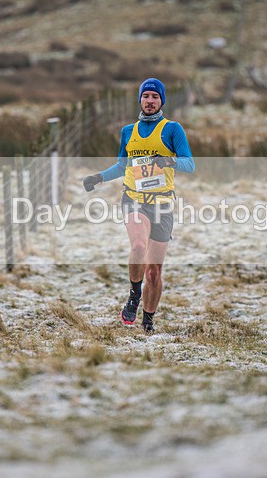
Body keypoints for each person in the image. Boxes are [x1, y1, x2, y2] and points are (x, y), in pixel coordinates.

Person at [83, 78, 194, 333]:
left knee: (154, 272)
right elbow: (122, 166)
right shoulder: (128, 132)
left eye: (155, 97)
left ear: (161, 101)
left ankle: (148, 319)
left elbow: (190, 163)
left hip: (163, 204)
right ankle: (134, 296)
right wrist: (99, 177)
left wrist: (170, 161)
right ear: (140, 100)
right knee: (139, 246)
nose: (150, 101)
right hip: (134, 198)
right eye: (146, 96)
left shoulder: (172, 129)